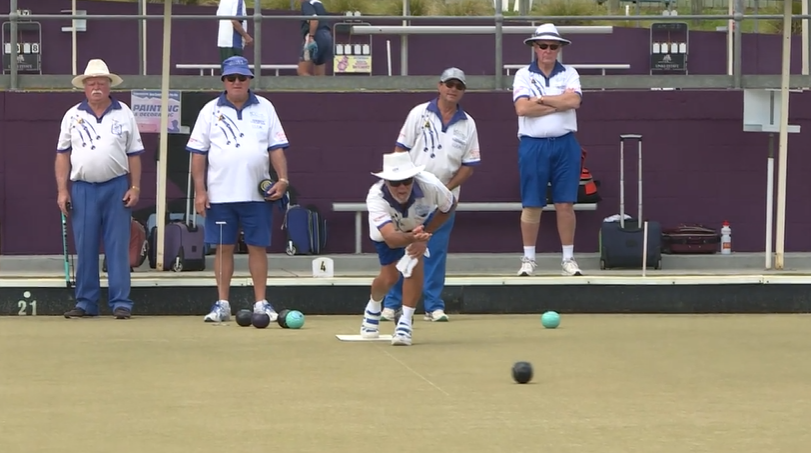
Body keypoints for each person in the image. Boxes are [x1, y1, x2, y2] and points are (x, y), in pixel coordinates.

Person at [186, 56, 291, 323]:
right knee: (223, 248)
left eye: (241, 78)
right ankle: (222, 303)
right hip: (220, 195)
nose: (236, 82)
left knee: (258, 248)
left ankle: (261, 302)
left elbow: (276, 148)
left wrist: (283, 179)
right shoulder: (209, 110)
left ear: (249, 80)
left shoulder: (266, 107)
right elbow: (198, 154)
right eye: (231, 78)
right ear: (223, 80)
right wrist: (200, 191)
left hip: (258, 194)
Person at [380, 68, 481, 323]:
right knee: (404, 246)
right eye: (449, 84)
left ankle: (433, 305)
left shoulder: (468, 124)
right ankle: (392, 304)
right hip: (411, 194)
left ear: (463, 91)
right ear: (439, 86)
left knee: (435, 249)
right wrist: (398, 183)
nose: (453, 89)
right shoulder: (418, 113)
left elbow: (469, 165)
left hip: (444, 197)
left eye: (458, 86)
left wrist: (446, 190)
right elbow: (401, 148)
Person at [56, 59, 144, 320]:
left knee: (118, 246)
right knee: (85, 246)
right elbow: (62, 155)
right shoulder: (73, 115)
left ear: (109, 85)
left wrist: (135, 187)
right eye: (91, 83)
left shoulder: (124, 112)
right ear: (84, 87)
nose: (96, 87)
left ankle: (121, 302)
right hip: (82, 188)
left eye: (101, 83)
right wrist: (62, 190)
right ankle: (86, 302)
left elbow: (134, 154)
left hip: (116, 186)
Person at [360, 152, 457, 346]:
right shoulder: (376, 196)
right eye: (395, 183)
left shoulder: (430, 184)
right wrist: (414, 238)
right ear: (386, 182)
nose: (402, 187)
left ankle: (405, 323)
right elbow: (391, 239)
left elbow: (450, 205)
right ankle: (374, 304)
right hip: (388, 232)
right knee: (389, 278)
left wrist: (424, 236)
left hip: (419, 224)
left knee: (413, 263)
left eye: (406, 181)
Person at [512, 23, 584, 277]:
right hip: (533, 144)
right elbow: (522, 108)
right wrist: (558, 103)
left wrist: (540, 99)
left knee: (565, 204)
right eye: (543, 46)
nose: (548, 50)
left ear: (559, 48)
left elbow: (574, 101)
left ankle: (568, 259)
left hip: (565, 143)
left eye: (553, 46)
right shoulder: (522, 75)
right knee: (532, 204)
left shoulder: (570, 73)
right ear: (535, 47)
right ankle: (529, 259)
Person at [297, 0, 334, 76]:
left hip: (316, 36)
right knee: (319, 74)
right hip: (327, 37)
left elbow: (314, 20)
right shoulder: (319, 4)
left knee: (302, 71)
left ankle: (310, 87)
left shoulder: (307, 3)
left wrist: (311, 36)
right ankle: (322, 87)